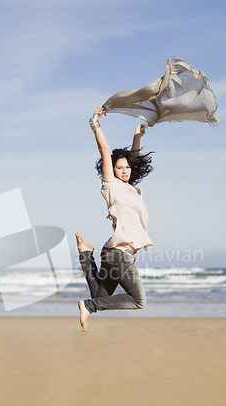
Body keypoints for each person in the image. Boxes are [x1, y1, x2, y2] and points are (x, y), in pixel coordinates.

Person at [76, 105, 154, 332]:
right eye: (119, 167)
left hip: (114, 254)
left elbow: (135, 159)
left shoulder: (132, 190)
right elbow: (104, 148)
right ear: (112, 170)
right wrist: (95, 123)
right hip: (119, 255)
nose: (125, 170)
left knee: (100, 294)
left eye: (127, 167)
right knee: (138, 301)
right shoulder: (111, 187)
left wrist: (136, 136)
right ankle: (88, 305)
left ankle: (85, 255)